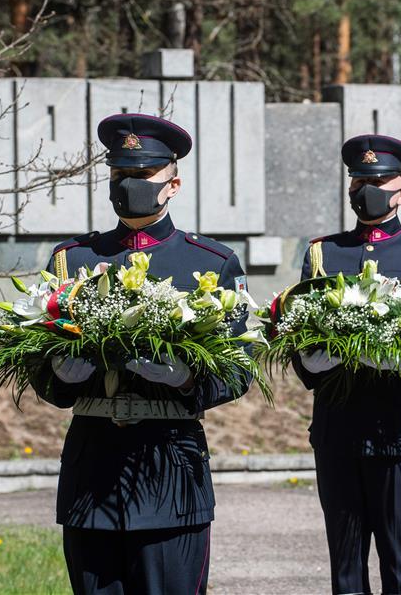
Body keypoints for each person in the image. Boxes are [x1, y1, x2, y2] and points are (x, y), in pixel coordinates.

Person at [30, 113, 252, 595]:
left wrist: (187, 380)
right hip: (93, 468)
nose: (129, 185)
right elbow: (40, 370)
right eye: (119, 175)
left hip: (169, 464)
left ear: (172, 184)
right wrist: (62, 376)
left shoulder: (209, 263)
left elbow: (237, 370)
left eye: (142, 175)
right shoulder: (74, 260)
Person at [291, 134, 401, 595]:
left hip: (400, 430)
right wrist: (314, 358)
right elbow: (299, 335)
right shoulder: (324, 253)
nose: (367, 188)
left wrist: (393, 358)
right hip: (338, 427)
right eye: (359, 180)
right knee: (345, 571)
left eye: (379, 180)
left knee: (400, 566)